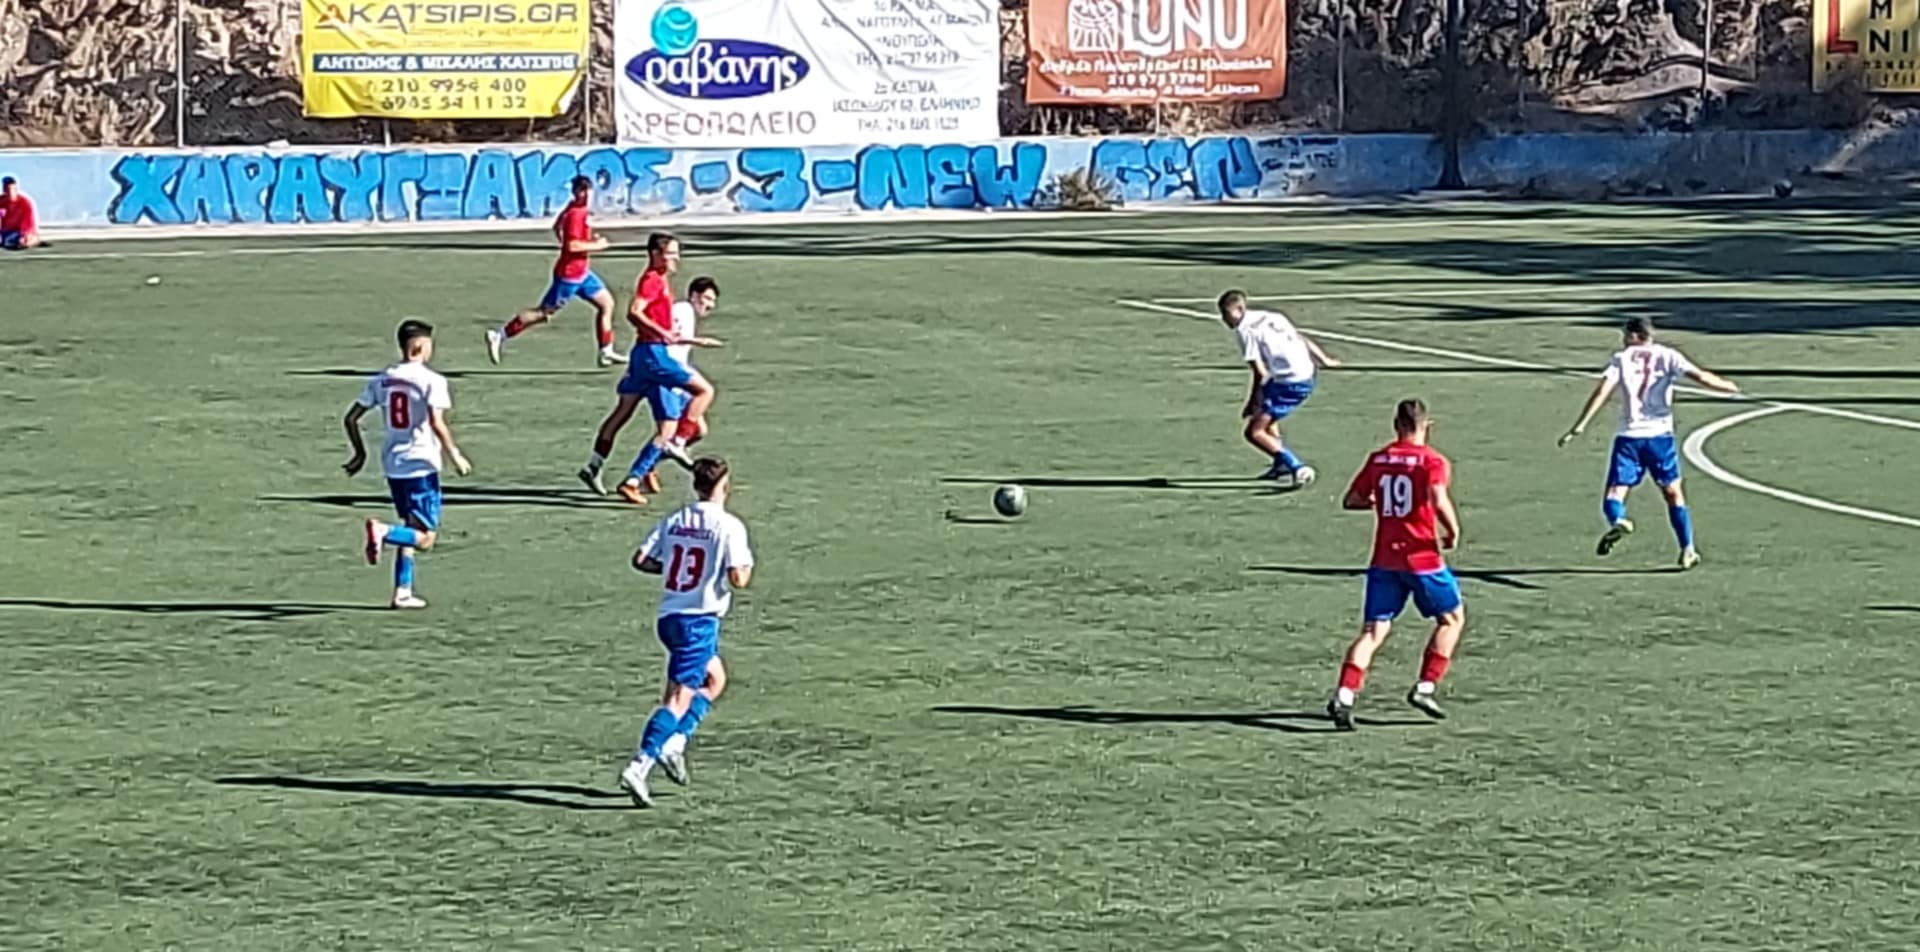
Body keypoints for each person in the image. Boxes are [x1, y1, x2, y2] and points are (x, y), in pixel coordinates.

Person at [620, 456, 754, 808]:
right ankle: (640, 765)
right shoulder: (729, 525)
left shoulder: (677, 519)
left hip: (670, 618)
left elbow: (641, 559)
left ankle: (675, 743)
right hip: (699, 621)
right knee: (678, 699)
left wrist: (673, 572)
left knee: (715, 679)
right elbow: (739, 578)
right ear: (724, 485)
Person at [1558, 317, 1738, 570]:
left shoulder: (1621, 359)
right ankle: (1687, 548)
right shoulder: (1668, 355)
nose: (1623, 339)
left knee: (1615, 492)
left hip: (1629, 437)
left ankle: (1618, 520)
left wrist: (1581, 424)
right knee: (1673, 492)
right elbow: (1700, 376)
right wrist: (1727, 386)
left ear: (1634, 336)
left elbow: (1602, 391)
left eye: (1625, 334)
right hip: (1660, 437)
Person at [1327, 398, 1463, 731]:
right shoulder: (1432, 461)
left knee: (1373, 631)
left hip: (1384, 558)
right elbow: (1437, 498)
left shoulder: (1379, 459)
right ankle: (1425, 687)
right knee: (1452, 619)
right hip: (1422, 558)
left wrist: (1380, 503)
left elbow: (1352, 500)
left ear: (1395, 425)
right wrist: (1452, 530)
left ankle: (1344, 695)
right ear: (1427, 426)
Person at [343, 319, 471, 609]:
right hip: (421, 464)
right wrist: (455, 454)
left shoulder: (382, 379)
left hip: (393, 464)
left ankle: (402, 591)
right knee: (425, 538)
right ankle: (382, 531)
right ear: (420, 346)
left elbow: (351, 418)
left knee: (411, 527)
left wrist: (360, 454)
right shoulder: (433, 381)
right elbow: (437, 422)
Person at [578, 233, 716, 498]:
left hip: (642, 354)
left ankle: (594, 465)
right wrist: (662, 333)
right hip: (654, 354)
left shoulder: (660, 280)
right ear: (655, 254)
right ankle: (674, 445)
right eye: (671, 254)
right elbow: (634, 311)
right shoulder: (652, 280)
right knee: (704, 392)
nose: (676, 259)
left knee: (621, 414)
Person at [485, 175, 625, 367]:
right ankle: (500, 335)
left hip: (582, 274)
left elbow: (557, 227)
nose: (585, 194)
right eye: (581, 190)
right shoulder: (576, 214)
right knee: (543, 313)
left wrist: (580, 242)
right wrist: (597, 245)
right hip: (569, 277)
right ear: (575, 192)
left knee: (607, 304)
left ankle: (606, 351)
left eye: (588, 190)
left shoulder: (574, 209)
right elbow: (572, 246)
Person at [615, 277, 723, 505]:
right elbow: (666, 337)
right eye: (706, 298)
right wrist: (698, 341)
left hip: (677, 376)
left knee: (699, 430)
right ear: (694, 295)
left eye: (712, 301)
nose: (709, 305)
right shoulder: (682, 310)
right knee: (667, 431)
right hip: (666, 377)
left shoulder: (689, 314)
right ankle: (632, 480)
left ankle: (650, 465)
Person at [1217, 289, 1338, 484]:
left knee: (1254, 432)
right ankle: (1280, 464)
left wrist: (1253, 401)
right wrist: (1323, 359)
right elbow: (1299, 338)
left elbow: (1260, 373)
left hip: (1292, 383)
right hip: (1306, 372)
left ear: (1240, 309)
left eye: (1226, 314)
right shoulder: (1272, 316)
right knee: (1265, 412)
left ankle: (1296, 466)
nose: (1224, 320)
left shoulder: (1245, 330)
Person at [0, 177, 42, 250]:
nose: (10, 192)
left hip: (19, 232)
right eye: (7, 189)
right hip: (4, 233)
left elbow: (29, 225)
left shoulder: (24, 203)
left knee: (25, 239)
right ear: (4, 190)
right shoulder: (1, 201)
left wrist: (25, 235)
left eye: (12, 189)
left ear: (16, 189)